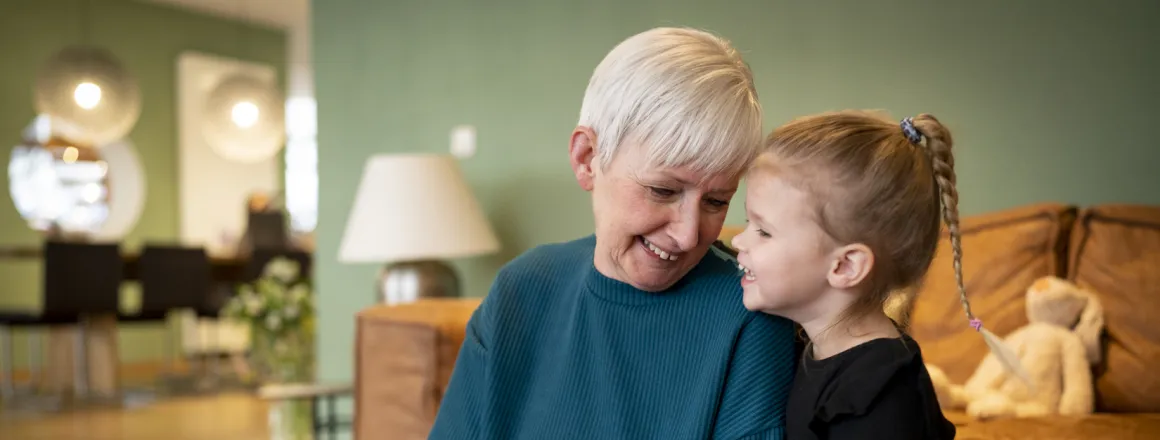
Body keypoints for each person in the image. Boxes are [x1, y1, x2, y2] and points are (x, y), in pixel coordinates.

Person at [429, 27, 797, 439]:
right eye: (663, 190)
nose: (689, 235)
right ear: (587, 158)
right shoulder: (521, 291)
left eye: (716, 201)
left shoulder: (751, 316)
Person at [731, 111, 960, 439]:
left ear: (845, 266)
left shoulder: (878, 398)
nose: (739, 240)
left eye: (764, 232)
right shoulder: (811, 345)